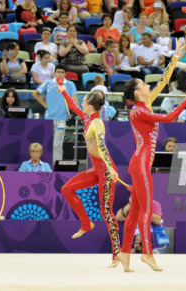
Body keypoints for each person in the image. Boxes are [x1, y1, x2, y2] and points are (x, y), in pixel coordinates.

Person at [117, 39, 186, 272]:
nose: (148, 86)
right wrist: (185, 102)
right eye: (144, 85)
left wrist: (173, 59)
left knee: (135, 212)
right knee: (145, 210)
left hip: (140, 163)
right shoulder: (138, 111)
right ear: (136, 92)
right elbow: (168, 119)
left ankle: (124, 253)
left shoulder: (146, 104)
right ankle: (148, 253)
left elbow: (162, 81)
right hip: (141, 164)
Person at [59, 87, 121, 264]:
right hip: (96, 169)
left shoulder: (97, 123)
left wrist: (110, 168)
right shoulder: (87, 117)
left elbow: (102, 147)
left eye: (83, 101)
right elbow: (72, 106)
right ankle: (86, 224)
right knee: (67, 189)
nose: (81, 103)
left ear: (90, 106)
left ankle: (117, 253)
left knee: (106, 212)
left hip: (106, 171)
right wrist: (63, 91)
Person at [33, 64, 77, 162]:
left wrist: (78, 111)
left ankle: (57, 166)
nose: (60, 74)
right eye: (58, 72)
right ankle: (44, 165)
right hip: (49, 118)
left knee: (57, 145)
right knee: (46, 143)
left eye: (62, 72)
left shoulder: (70, 84)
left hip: (61, 119)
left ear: (65, 74)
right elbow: (35, 93)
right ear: (55, 73)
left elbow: (74, 100)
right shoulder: (48, 83)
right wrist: (44, 104)